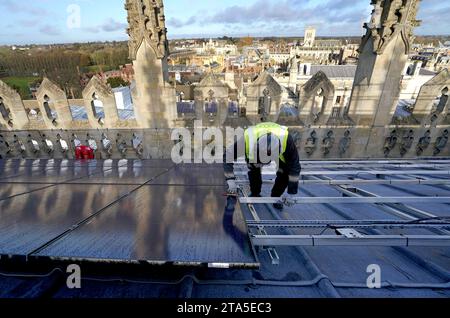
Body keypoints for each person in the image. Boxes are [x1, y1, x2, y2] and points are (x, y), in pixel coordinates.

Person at [224, 122, 301, 210]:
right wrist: (230, 181)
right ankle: (255, 193)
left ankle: (275, 197)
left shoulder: (286, 141)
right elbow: (227, 156)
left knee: (284, 173)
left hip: (277, 150)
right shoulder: (247, 140)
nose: (264, 164)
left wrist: (291, 192)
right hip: (255, 153)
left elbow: (295, 166)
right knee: (254, 169)